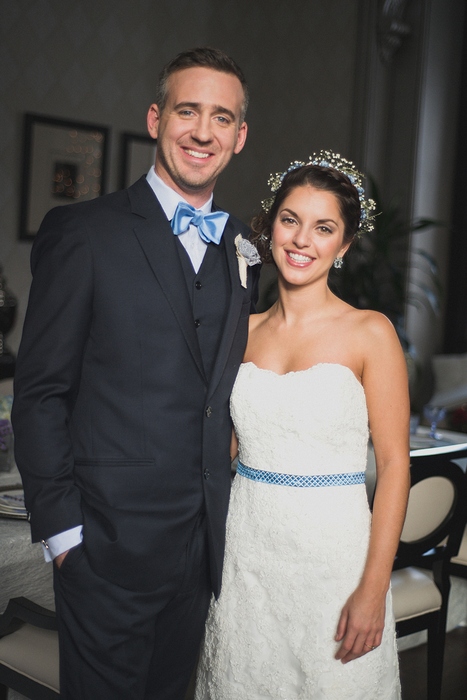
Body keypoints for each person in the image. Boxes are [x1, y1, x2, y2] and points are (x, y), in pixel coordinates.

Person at [12, 47, 259, 700]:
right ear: (156, 118)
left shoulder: (244, 248)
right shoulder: (83, 233)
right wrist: (65, 536)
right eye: (187, 111)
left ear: (239, 136)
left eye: (220, 117)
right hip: (106, 553)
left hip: (201, 553)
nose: (202, 132)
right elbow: (39, 395)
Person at [194, 151, 410, 699]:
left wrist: (372, 588)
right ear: (269, 227)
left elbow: (393, 465)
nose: (301, 240)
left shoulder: (371, 333)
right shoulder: (239, 330)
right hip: (246, 558)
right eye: (290, 220)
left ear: (345, 244)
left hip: (335, 562)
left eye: (323, 228)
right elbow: (224, 446)